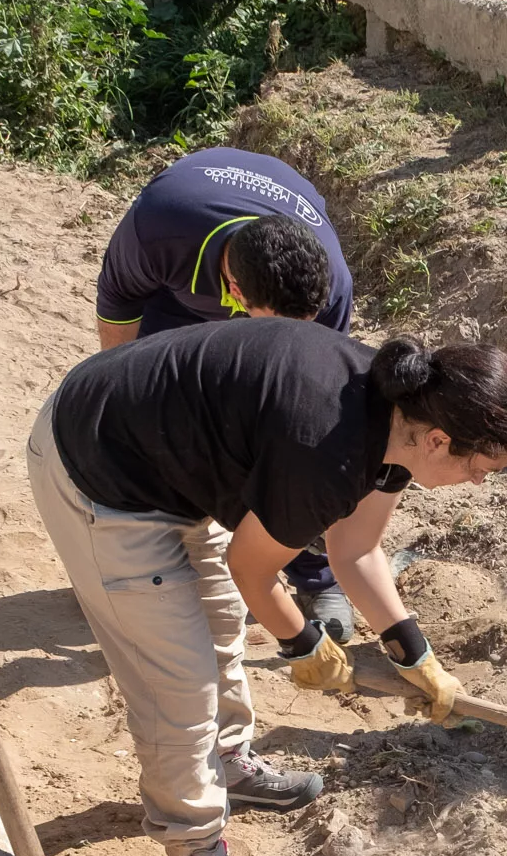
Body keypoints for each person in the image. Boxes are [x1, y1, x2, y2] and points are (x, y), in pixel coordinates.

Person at [30, 317, 507, 856]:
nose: (481, 482)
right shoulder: (327, 451)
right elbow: (253, 569)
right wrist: (311, 650)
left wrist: (414, 652)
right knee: (177, 685)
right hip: (100, 472)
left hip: (169, 456)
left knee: (220, 631)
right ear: (440, 440)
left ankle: (229, 763)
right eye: (482, 466)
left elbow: (356, 550)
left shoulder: (397, 418)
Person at [96, 147, 365, 642]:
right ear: (235, 294)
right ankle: (153, 558)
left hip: (255, 281)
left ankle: (318, 578)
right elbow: (117, 309)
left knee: (298, 449)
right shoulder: (162, 228)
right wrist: (118, 399)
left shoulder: (331, 287)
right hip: (172, 301)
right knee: (155, 421)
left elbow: (321, 402)